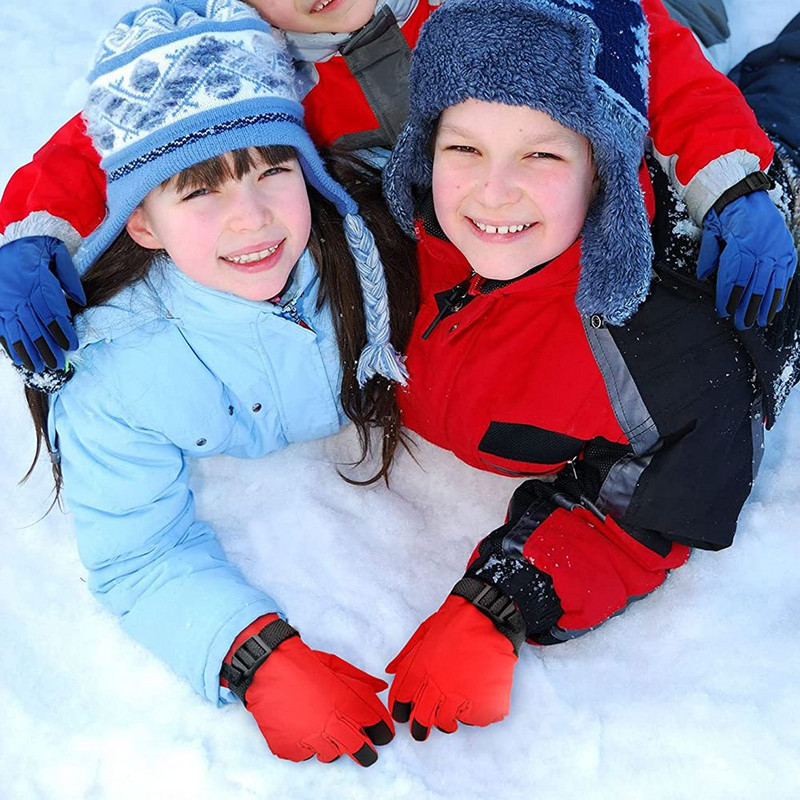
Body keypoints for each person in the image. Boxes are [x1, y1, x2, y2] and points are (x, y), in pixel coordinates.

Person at [381, 0, 800, 741]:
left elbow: (651, 505)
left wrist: (502, 600)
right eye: (464, 149)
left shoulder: (653, 348)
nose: (495, 189)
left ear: (602, 172)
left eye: (542, 154)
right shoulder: (393, 248)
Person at [21, 0, 420, 767]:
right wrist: (254, 655)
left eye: (275, 169)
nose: (252, 219)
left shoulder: (374, 261)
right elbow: (137, 552)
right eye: (201, 191)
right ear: (141, 222)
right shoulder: (117, 375)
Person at [0, 0, 794, 383]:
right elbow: (110, 132)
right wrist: (33, 234)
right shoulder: (242, 54)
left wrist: (734, 182)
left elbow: (650, 51)